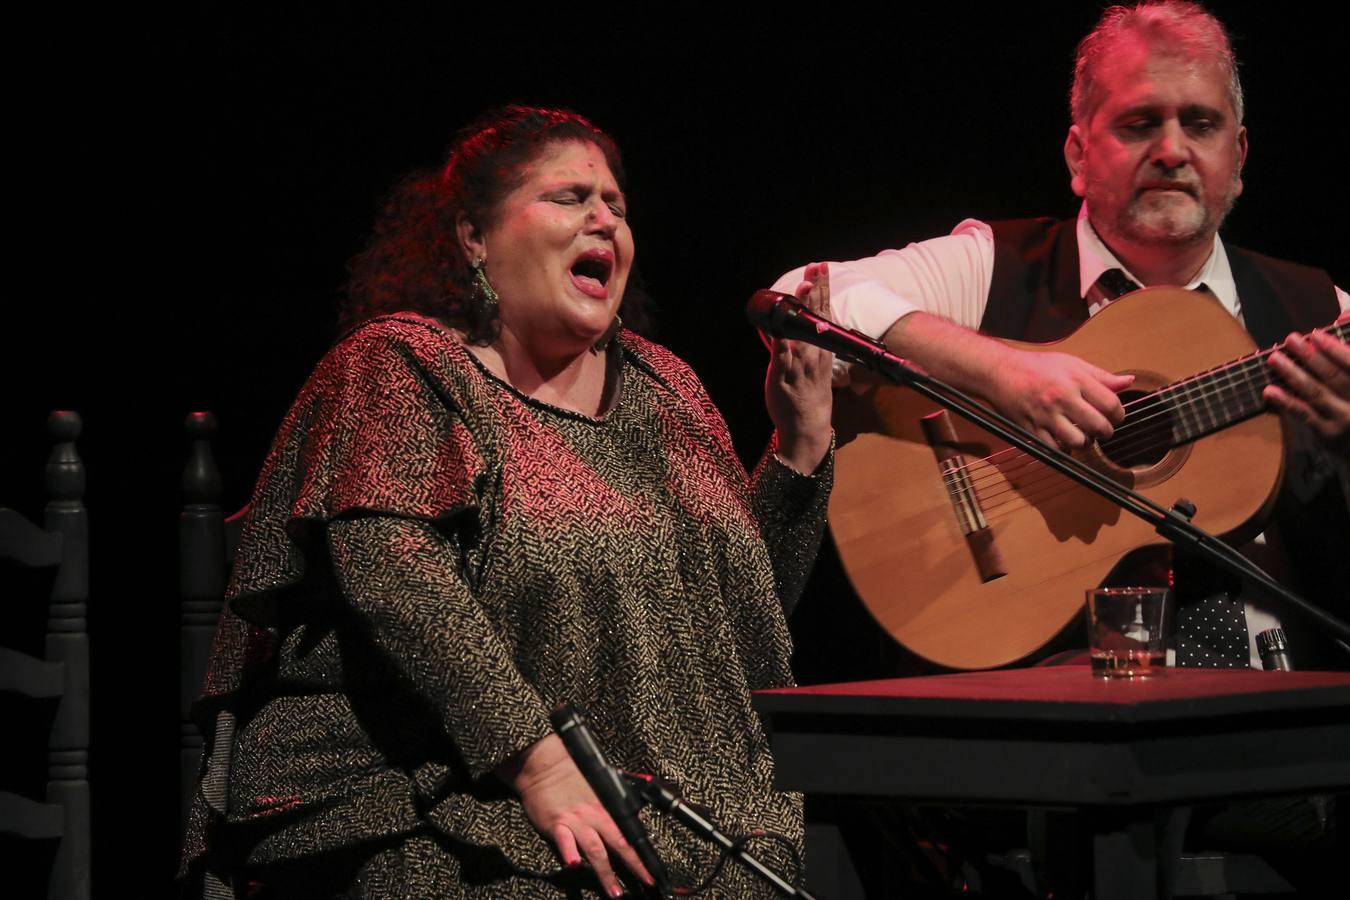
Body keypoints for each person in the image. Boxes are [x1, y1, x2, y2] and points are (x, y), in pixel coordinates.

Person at [180, 105, 835, 899]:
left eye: (617, 206)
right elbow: (395, 574)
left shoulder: (668, 391)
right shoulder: (403, 366)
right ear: (472, 238)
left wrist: (799, 449)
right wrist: (538, 762)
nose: (604, 217)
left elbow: (738, 632)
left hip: (674, 812)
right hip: (435, 799)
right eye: (568, 196)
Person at [775, 0, 1349, 672]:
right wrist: (1006, 375)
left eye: (1201, 124)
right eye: (1140, 124)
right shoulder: (992, 267)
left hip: (1284, 724)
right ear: (1078, 153)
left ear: (1239, 153)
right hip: (1044, 731)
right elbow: (798, 298)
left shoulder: (1317, 310)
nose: (1171, 150)